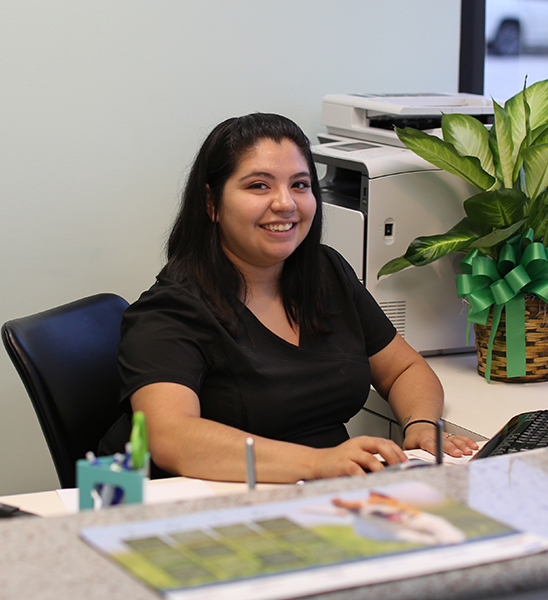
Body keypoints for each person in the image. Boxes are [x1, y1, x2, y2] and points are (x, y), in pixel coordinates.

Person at [112, 113, 477, 483]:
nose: (285, 203)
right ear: (211, 203)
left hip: (328, 497)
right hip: (219, 504)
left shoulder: (326, 272)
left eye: (300, 185)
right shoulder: (169, 311)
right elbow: (171, 438)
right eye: (259, 186)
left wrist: (420, 424)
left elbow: (404, 369)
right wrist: (319, 463)